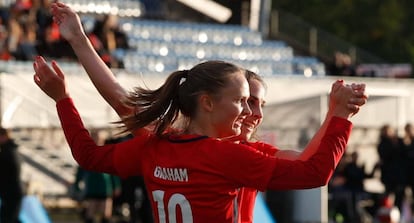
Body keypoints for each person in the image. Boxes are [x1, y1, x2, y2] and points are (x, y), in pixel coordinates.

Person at [46, 3, 368, 222]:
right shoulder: (230, 157)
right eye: (246, 101)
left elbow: (93, 148)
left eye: (257, 106)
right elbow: (312, 171)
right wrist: (339, 117)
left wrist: (65, 93)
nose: (251, 113)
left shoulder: (159, 146)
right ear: (208, 103)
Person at [0, 127, 24, 223]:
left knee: (9, 219)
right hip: (13, 191)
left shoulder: (7, 152)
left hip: (11, 192)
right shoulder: (12, 149)